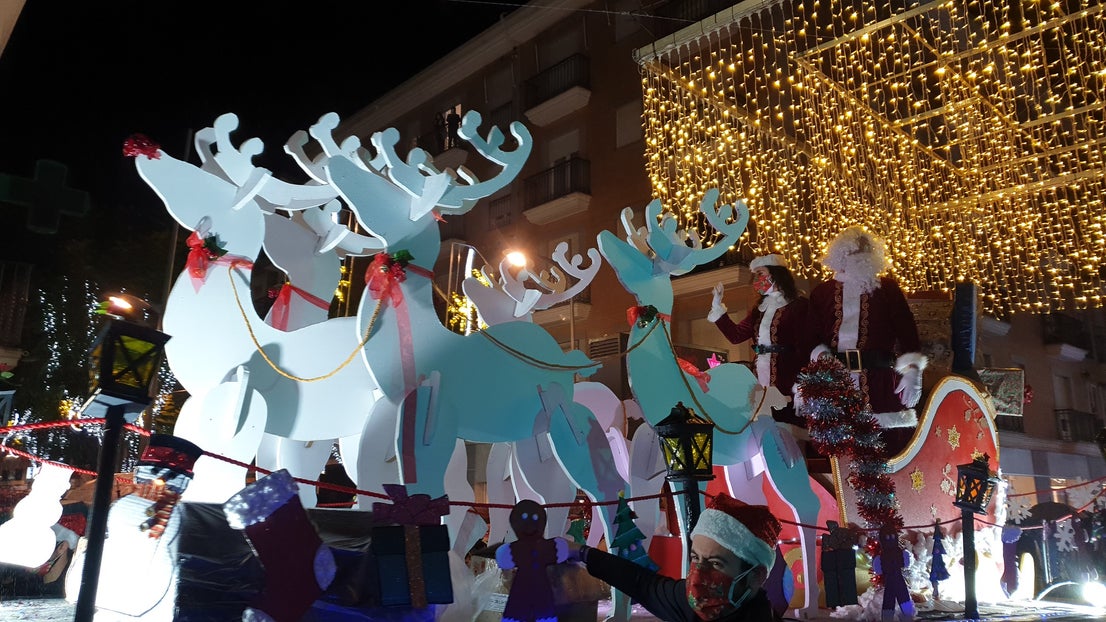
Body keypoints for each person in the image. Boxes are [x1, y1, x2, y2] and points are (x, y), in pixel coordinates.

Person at [807, 226, 927, 455]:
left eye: (863, 251)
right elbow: (811, 336)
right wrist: (822, 361)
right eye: (852, 252)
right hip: (836, 383)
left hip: (880, 382)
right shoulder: (822, 293)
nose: (858, 257)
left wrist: (913, 370)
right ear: (839, 256)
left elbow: (907, 333)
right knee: (838, 450)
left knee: (886, 448)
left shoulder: (887, 289)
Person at [568, 493, 782, 622]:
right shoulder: (692, 604)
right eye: (695, 558)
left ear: (755, 577)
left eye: (716, 563)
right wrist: (582, 552)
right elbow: (642, 583)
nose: (698, 576)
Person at [708, 254, 810, 434]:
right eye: (755, 275)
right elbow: (736, 335)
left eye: (761, 273)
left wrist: (803, 381)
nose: (757, 279)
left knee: (786, 425)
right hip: (760, 371)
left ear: (776, 274)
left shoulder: (799, 306)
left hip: (787, 373)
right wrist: (718, 307)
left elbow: (806, 345)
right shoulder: (759, 310)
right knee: (761, 423)